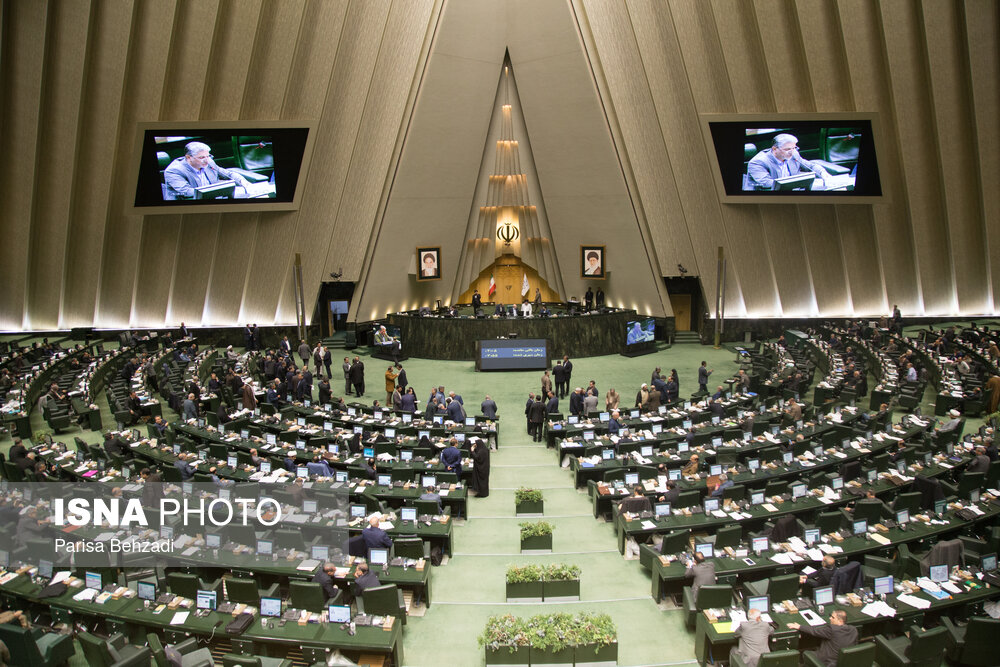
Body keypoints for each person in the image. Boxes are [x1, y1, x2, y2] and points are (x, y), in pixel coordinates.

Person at [163, 141, 250, 199]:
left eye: (208, 156)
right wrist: (219, 191)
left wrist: (243, 182)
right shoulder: (174, 171)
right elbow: (187, 192)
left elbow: (228, 174)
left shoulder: (209, 162)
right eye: (201, 157)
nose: (206, 160)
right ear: (189, 158)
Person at [745, 133, 830, 191]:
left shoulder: (794, 154)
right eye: (787, 149)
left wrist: (822, 172)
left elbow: (810, 166)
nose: (791, 152)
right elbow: (767, 183)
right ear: (774, 149)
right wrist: (796, 183)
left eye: (794, 148)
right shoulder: (758, 162)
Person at [787, 610, 857, 667]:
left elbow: (814, 631)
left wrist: (799, 626)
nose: (830, 618)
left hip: (829, 662)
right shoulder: (854, 629)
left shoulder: (832, 629)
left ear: (840, 621)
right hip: (844, 661)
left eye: (832, 617)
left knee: (807, 653)